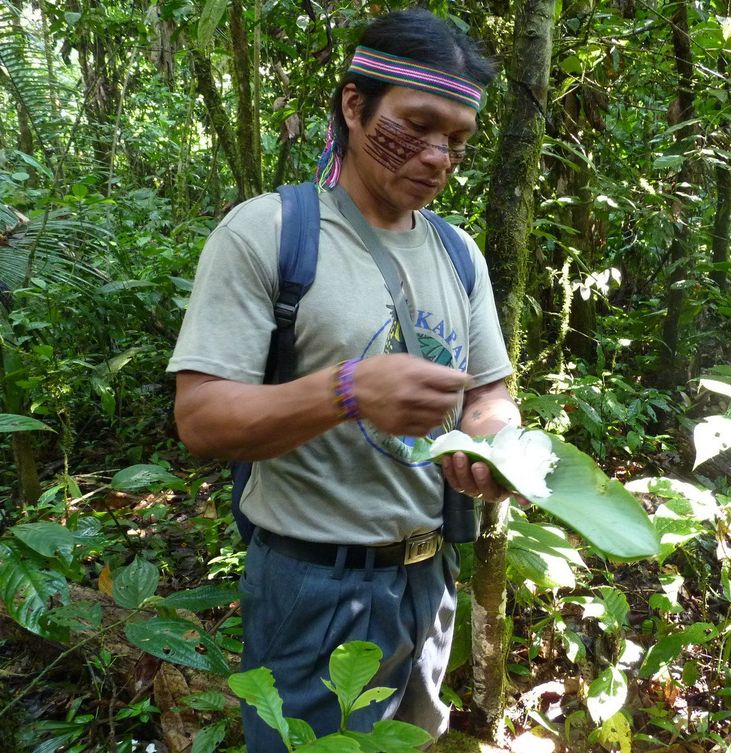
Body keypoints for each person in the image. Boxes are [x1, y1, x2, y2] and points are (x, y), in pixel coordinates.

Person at [167, 9, 519, 749]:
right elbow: (200, 419)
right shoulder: (268, 233)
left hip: (429, 576)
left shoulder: (460, 254)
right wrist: (347, 391)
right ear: (354, 106)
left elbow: (488, 391)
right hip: (309, 582)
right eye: (417, 127)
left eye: (456, 141)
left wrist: (492, 439)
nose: (437, 157)